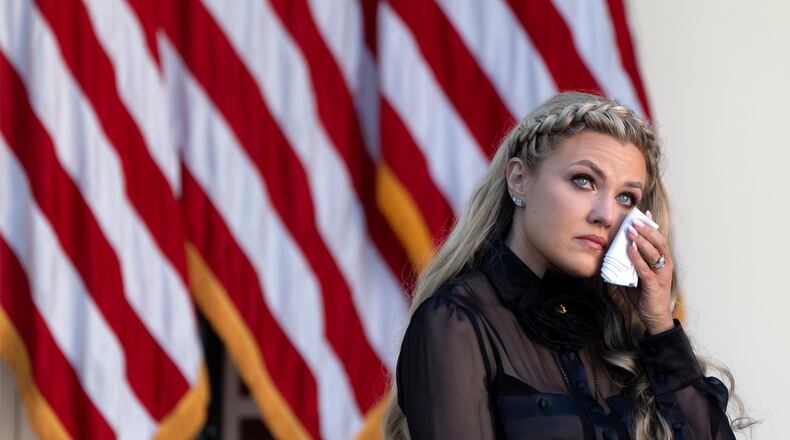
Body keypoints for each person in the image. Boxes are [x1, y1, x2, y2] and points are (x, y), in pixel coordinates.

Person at [383, 92, 750, 439]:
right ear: (519, 179)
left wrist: (659, 325)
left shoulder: (619, 330)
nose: (606, 215)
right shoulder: (456, 322)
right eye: (584, 181)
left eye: (626, 197)